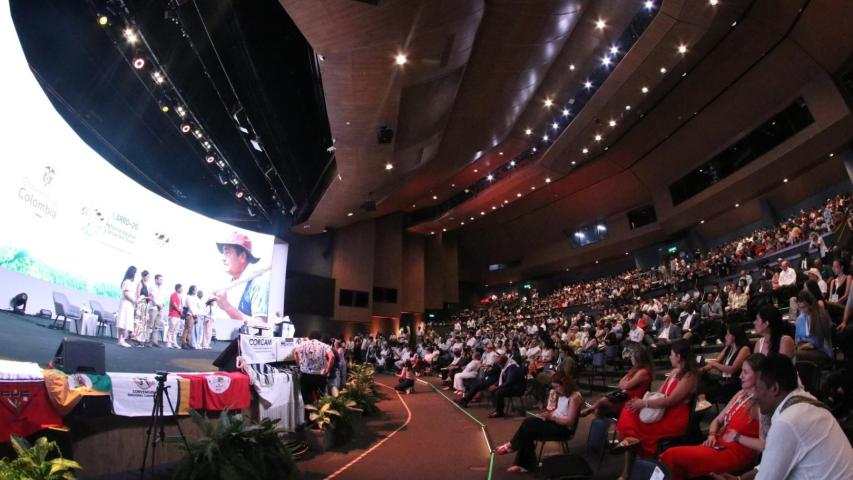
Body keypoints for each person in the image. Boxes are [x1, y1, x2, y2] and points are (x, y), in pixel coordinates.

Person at [710, 354, 853, 480]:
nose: (756, 396)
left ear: (774, 388)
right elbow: (772, 462)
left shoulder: (787, 422)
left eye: (758, 388)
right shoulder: (805, 400)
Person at [660, 354, 764, 480]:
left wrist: (738, 437)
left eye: (745, 372)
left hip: (734, 454)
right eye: (742, 371)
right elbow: (717, 420)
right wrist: (712, 434)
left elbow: (764, 445)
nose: (740, 375)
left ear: (759, 376)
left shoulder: (761, 405)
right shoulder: (741, 394)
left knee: (672, 456)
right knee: (672, 457)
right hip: (718, 444)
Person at [614, 340, 698, 479]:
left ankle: (630, 456)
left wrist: (644, 403)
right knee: (629, 410)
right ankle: (631, 448)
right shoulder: (674, 372)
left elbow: (670, 401)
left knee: (633, 423)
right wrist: (642, 402)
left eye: (671, 354)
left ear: (678, 356)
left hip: (673, 417)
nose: (669, 357)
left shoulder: (689, 376)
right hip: (663, 410)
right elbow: (659, 392)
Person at [494, 373, 582, 474]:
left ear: (565, 384)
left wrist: (552, 418)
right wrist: (549, 414)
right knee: (527, 426)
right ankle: (521, 461)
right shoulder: (562, 394)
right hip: (555, 423)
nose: (556, 390)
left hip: (564, 429)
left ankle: (515, 450)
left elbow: (570, 421)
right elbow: (559, 411)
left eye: (557, 387)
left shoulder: (574, 397)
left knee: (528, 427)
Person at [581, 345, 653, 418]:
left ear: (638, 359)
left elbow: (626, 385)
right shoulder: (635, 369)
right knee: (601, 406)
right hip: (626, 396)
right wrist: (624, 383)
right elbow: (620, 384)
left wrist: (625, 383)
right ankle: (606, 422)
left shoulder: (643, 372)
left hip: (633, 400)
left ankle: (592, 409)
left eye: (632, 357)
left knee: (602, 403)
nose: (631, 358)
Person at [213, 232, 269, 325]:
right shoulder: (228, 284)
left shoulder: (258, 283)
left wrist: (228, 307)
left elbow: (261, 325)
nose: (223, 258)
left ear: (242, 257)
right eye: (223, 253)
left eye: (227, 253)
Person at [697, 324, 751, 408]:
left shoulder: (744, 349)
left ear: (734, 336)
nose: (725, 337)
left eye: (727, 334)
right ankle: (702, 401)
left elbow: (731, 370)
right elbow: (717, 361)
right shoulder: (728, 347)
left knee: (700, 388)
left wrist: (713, 363)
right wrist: (703, 369)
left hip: (734, 383)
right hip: (724, 379)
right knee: (699, 376)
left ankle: (702, 402)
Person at [293, 331, 335, 405]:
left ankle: (309, 414)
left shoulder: (303, 344)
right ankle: (319, 414)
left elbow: (296, 352)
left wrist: (299, 363)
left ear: (309, 337)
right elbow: (332, 356)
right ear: (320, 338)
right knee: (320, 398)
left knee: (306, 398)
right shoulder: (324, 346)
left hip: (306, 376)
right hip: (320, 376)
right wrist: (327, 370)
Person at [794, 290, 833, 365]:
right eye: (799, 307)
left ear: (811, 304)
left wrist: (806, 344)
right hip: (806, 348)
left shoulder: (821, 316)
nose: (801, 310)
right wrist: (803, 344)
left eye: (804, 307)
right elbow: (797, 339)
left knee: (798, 354)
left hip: (822, 351)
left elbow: (819, 342)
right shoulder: (800, 318)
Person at [116, 266, 137, 348]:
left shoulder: (129, 282)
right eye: (135, 273)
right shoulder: (127, 281)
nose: (135, 275)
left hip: (129, 304)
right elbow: (126, 293)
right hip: (126, 303)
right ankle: (121, 340)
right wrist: (134, 300)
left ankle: (122, 340)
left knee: (126, 321)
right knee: (123, 321)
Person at [166, 283, 183, 349]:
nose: (182, 290)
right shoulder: (173, 295)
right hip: (173, 314)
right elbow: (174, 304)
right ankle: (169, 343)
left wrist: (181, 311)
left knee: (176, 331)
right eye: (181, 288)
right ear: (178, 288)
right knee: (171, 329)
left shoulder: (180, 296)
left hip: (178, 315)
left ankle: (174, 343)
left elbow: (181, 305)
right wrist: (180, 310)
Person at [181, 285, 199, 349]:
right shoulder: (188, 297)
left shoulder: (194, 297)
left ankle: (188, 342)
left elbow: (196, 307)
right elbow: (190, 306)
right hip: (189, 315)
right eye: (195, 290)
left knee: (190, 330)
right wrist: (194, 314)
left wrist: (196, 315)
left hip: (193, 315)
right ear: (192, 290)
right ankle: (184, 343)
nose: (196, 291)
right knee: (187, 329)